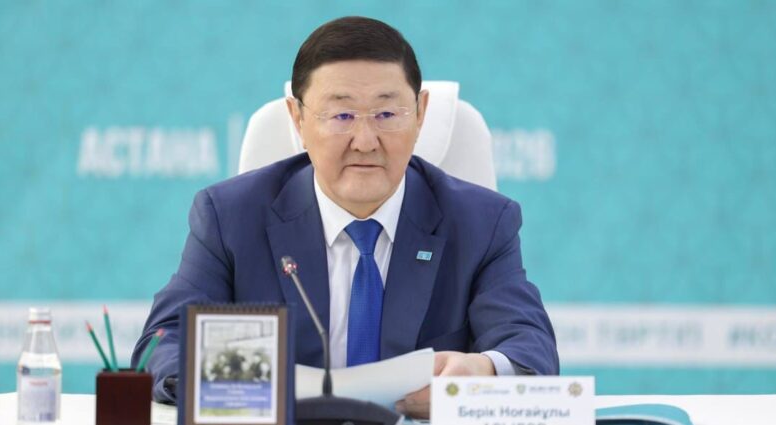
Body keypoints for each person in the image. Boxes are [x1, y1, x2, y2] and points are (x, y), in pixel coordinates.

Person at [132, 15, 559, 419]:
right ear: (298, 119)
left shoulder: (482, 223)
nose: (365, 141)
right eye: (341, 116)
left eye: (387, 114)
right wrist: (240, 382)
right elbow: (163, 342)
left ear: (420, 114)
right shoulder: (230, 217)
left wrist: (485, 370)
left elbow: (529, 348)